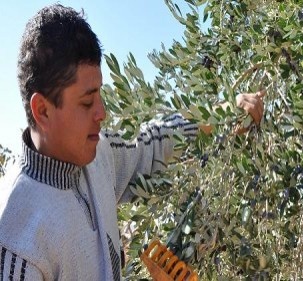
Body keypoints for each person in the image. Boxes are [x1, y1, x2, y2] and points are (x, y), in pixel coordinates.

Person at [0, 4, 265, 281]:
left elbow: (153, 142)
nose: (101, 112)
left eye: (100, 96)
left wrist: (222, 114)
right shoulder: (17, 239)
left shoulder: (98, 155)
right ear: (42, 110)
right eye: (87, 101)